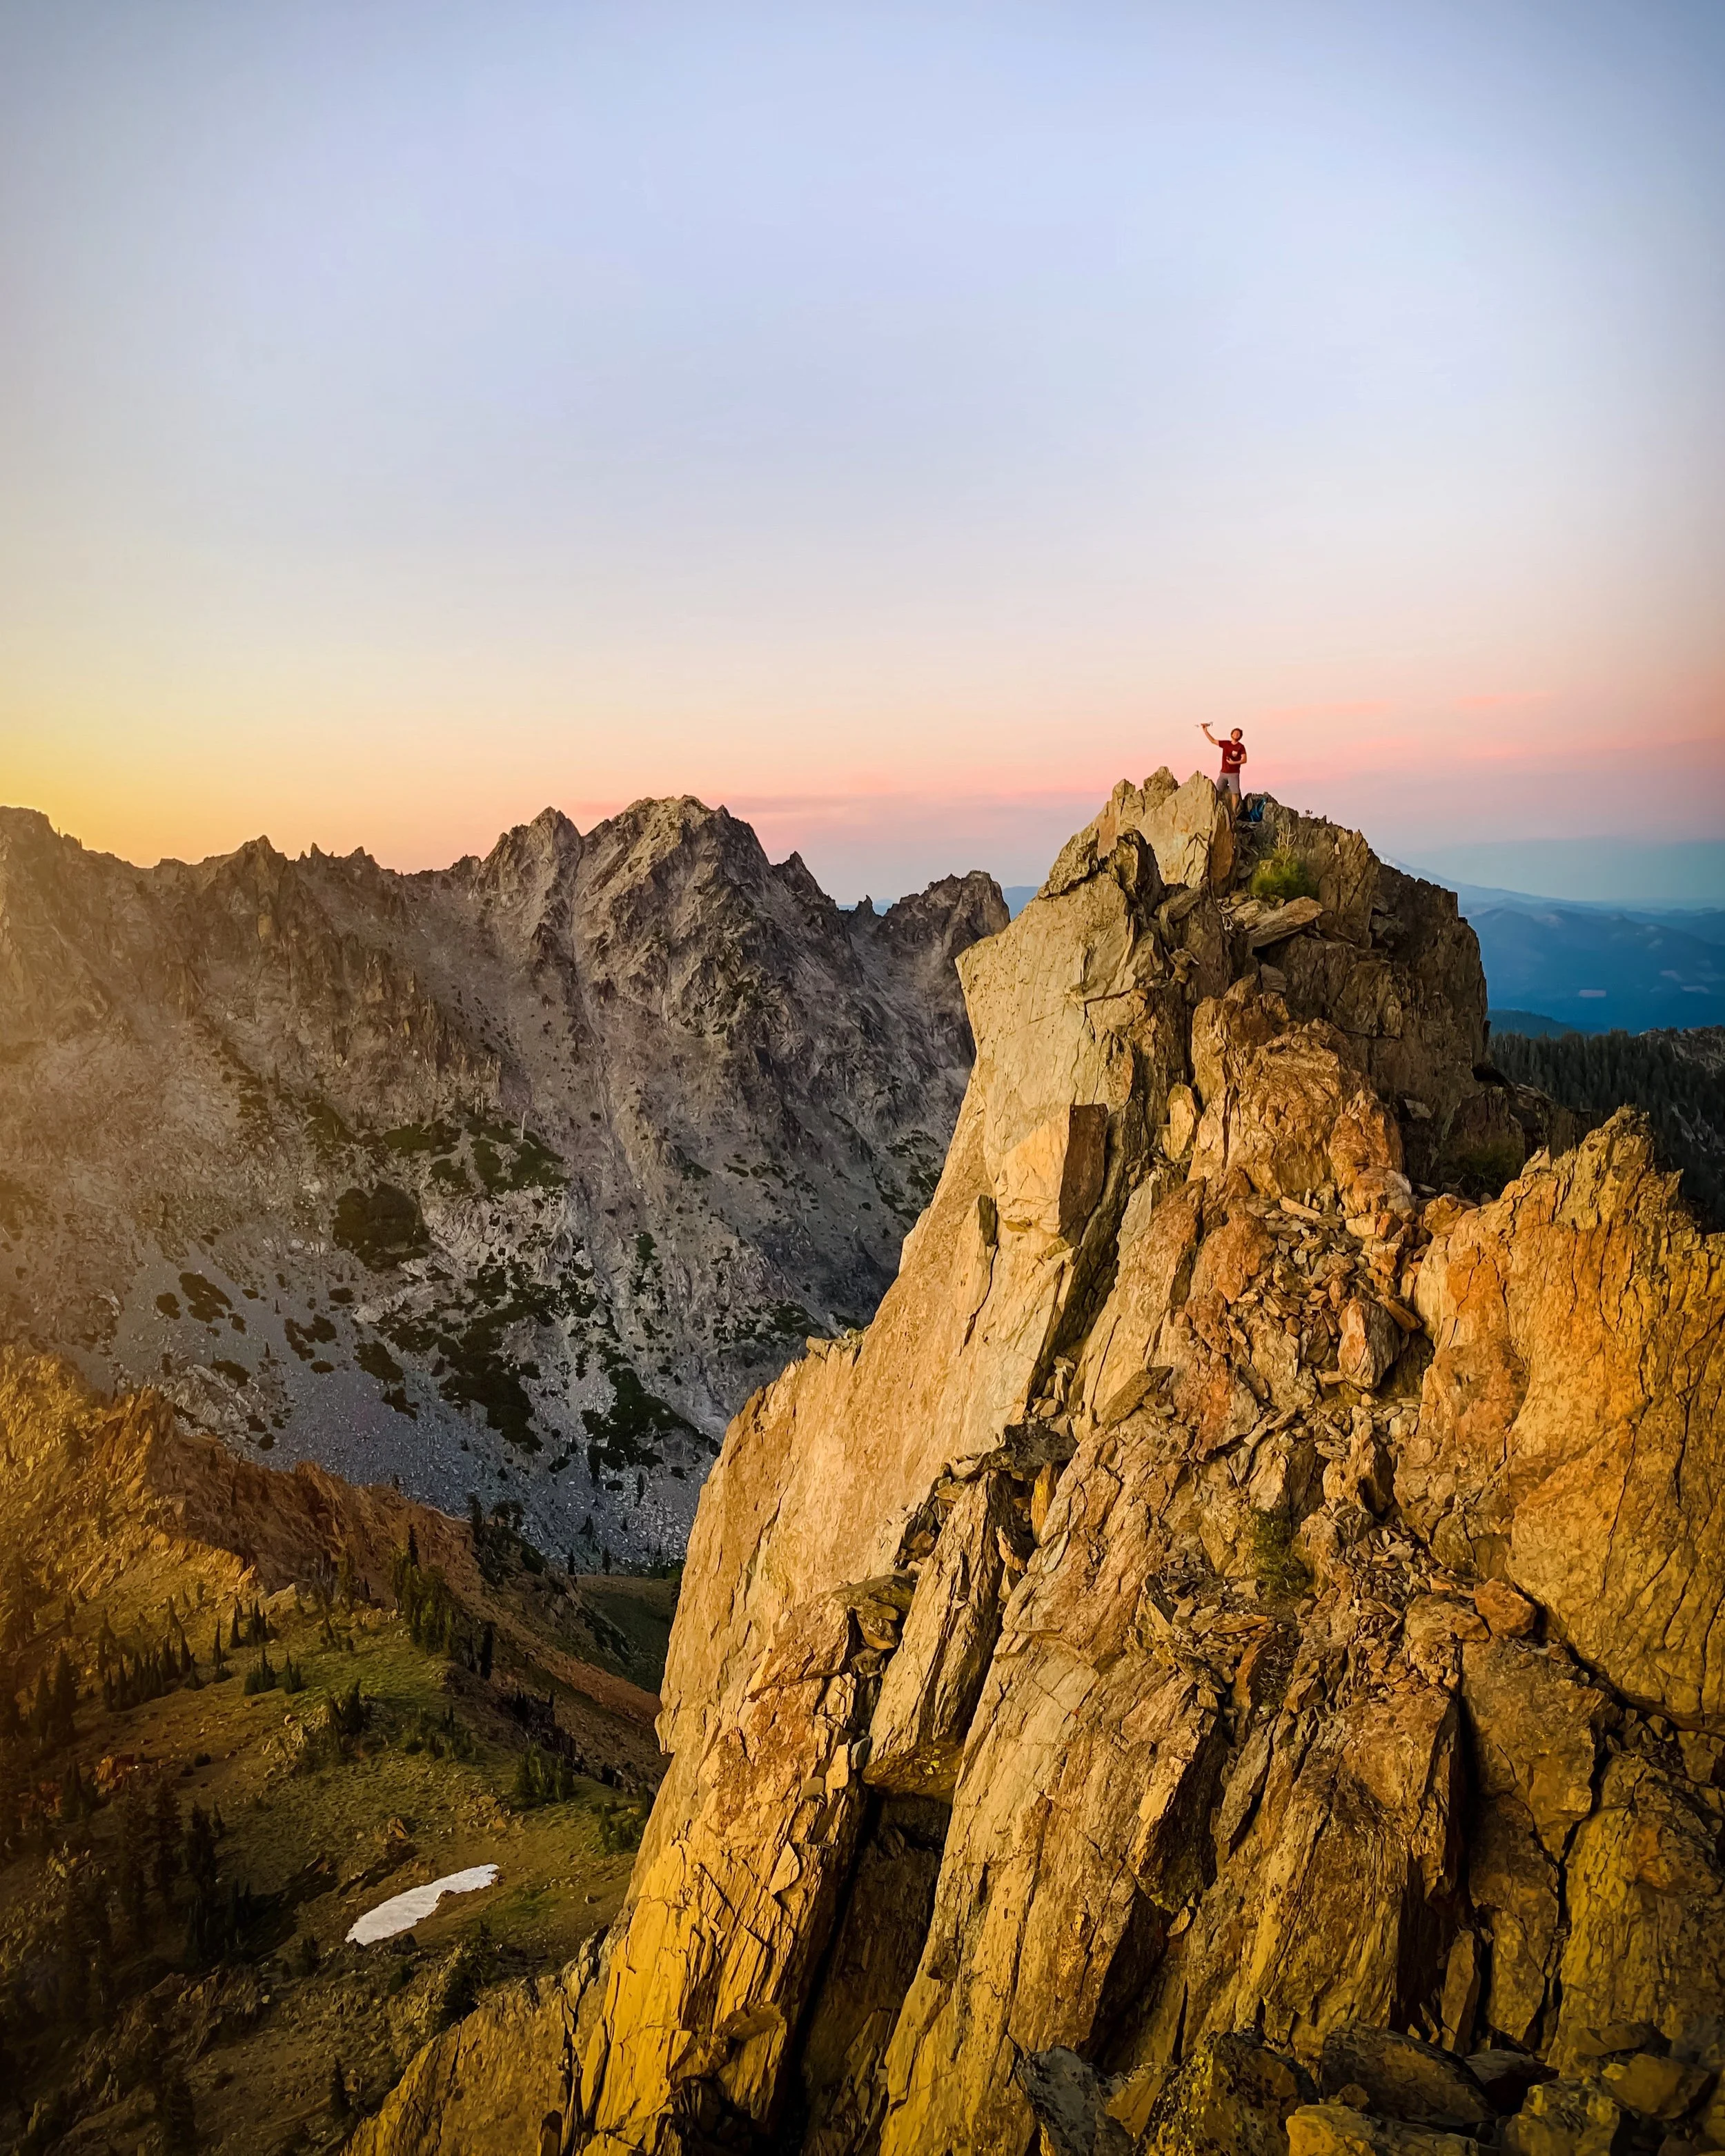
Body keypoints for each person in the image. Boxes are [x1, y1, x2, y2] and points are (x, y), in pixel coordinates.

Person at [1201, 723, 1247, 811]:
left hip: (1234, 774)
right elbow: (1213, 741)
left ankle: (1233, 812)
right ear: (1232, 734)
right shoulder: (1226, 744)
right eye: (1235, 733)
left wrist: (1234, 763)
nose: (1236, 734)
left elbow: (1244, 760)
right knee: (1217, 791)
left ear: (1240, 736)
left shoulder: (1240, 747)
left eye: (1238, 734)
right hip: (1223, 773)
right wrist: (1205, 731)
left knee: (1235, 793)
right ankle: (1215, 809)